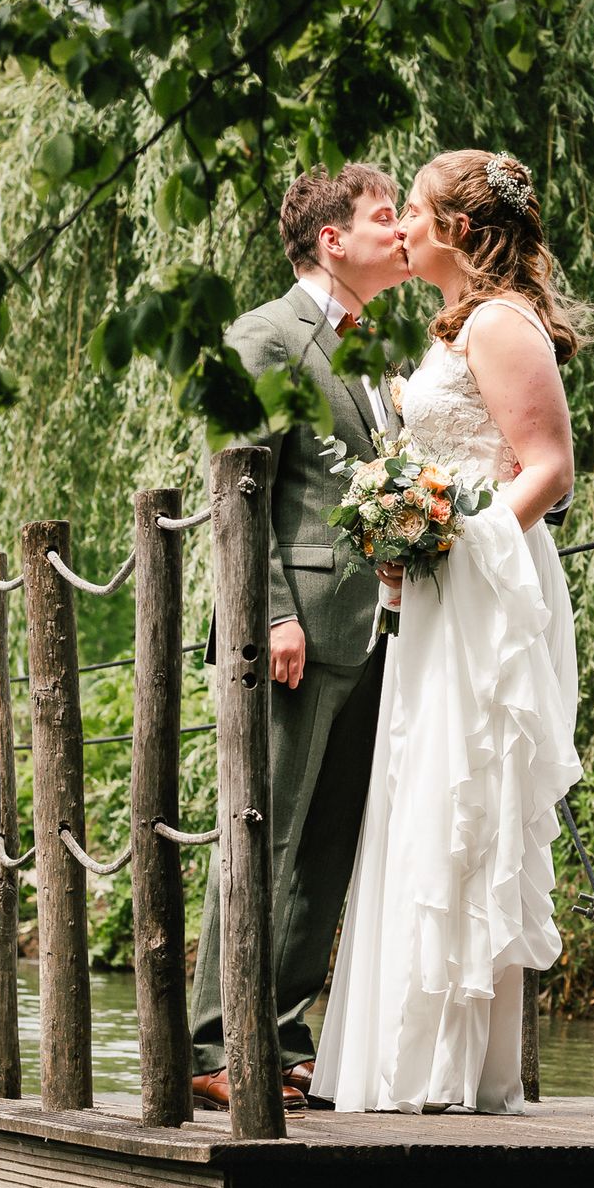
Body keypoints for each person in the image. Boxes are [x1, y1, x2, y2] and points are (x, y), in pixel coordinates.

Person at [309, 150, 583, 1114]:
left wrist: (455, 542)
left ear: (457, 231)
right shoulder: (462, 325)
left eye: (414, 212)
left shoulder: (505, 326)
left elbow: (548, 469)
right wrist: (403, 534)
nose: (403, 228)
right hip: (436, 594)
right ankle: (401, 1063)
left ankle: (447, 1074)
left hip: (481, 595)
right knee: (418, 800)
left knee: (461, 803)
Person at [191, 162, 408, 1111]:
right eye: (383, 217)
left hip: (368, 632)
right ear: (332, 239)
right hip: (289, 633)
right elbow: (238, 486)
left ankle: (279, 1032)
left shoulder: (368, 346)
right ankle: (211, 1037)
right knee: (259, 833)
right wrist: (271, 611)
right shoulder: (266, 336)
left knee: (325, 843)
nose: (400, 232)